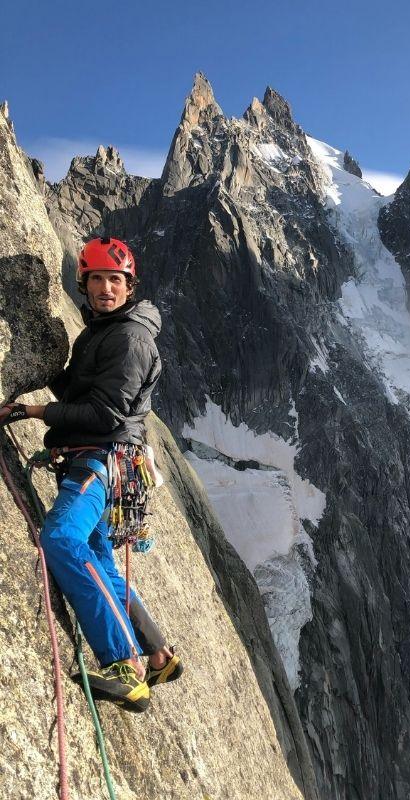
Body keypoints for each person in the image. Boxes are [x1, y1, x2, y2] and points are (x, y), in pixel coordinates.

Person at [0, 237, 182, 712]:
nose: (105, 288)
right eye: (96, 279)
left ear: (129, 286)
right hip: (102, 459)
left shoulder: (129, 338)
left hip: (100, 459)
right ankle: (157, 652)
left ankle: (124, 664)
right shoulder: (102, 331)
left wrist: (32, 409)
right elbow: (85, 389)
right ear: (84, 284)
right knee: (98, 558)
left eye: (114, 280)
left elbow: (104, 413)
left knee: (61, 540)